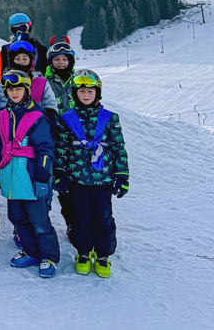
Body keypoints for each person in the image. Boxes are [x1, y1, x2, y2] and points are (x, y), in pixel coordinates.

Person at [54, 69, 128, 278]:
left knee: (103, 218)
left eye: (90, 91)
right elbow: (61, 148)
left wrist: (122, 176)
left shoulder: (109, 118)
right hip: (77, 179)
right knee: (80, 218)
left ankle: (103, 254)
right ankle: (84, 252)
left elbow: (118, 148)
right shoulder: (67, 119)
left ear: (98, 93)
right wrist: (59, 173)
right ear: (75, 93)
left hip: (103, 179)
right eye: (82, 91)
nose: (86, 95)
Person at [0, 70, 60, 279]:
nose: (14, 93)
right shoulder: (4, 115)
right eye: (10, 89)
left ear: (27, 90)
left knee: (39, 220)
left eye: (18, 89)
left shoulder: (37, 117)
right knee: (18, 218)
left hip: (31, 177)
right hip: (12, 178)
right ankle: (31, 252)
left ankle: (48, 256)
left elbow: (45, 149)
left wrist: (43, 177)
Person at [44, 40, 77, 238]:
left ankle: (75, 222)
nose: (61, 62)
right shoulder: (46, 82)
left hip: (75, 140)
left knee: (72, 185)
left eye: (65, 59)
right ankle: (45, 222)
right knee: (53, 181)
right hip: (53, 139)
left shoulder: (78, 80)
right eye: (57, 59)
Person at [0, 40, 59, 125]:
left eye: (25, 58)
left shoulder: (41, 83)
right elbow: (2, 105)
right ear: (11, 61)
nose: (21, 61)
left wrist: (46, 122)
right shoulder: (6, 81)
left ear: (31, 62)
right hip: (12, 127)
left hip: (37, 127)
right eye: (17, 58)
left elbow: (50, 105)